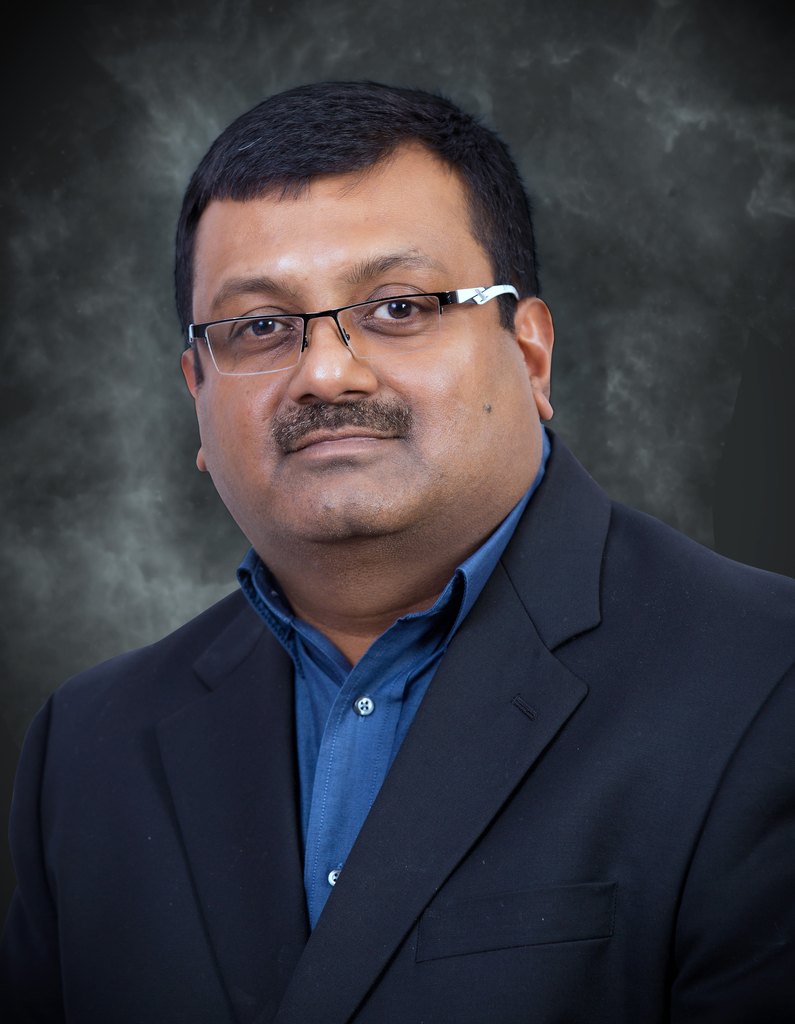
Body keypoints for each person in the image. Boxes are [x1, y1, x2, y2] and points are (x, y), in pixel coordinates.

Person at [1, 80, 793, 1024]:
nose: (326, 371)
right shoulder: (89, 745)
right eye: (260, 326)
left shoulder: (765, 682)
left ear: (530, 354)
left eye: (399, 307)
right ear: (197, 395)